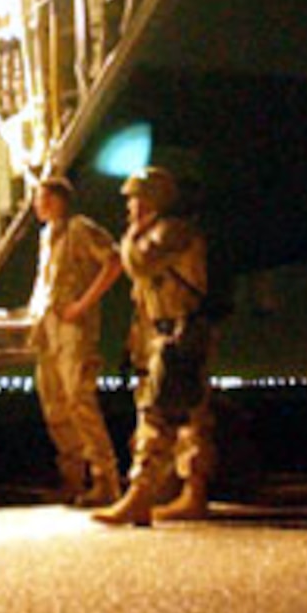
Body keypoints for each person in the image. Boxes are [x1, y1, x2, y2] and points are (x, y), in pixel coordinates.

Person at [94, 165, 216, 527]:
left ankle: (140, 494)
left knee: (155, 412)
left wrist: (133, 234)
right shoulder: (170, 230)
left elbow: (138, 262)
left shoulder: (170, 232)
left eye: (136, 199)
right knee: (192, 417)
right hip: (174, 332)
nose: (130, 207)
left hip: (178, 333)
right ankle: (193, 492)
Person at [27, 174, 123, 506]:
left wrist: (83, 303)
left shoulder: (78, 228)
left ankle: (105, 478)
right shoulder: (46, 236)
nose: (37, 204)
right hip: (49, 328)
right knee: (54, 403)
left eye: (42, 198)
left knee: (79, 401)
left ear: (57, 200)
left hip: (73, 330)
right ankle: (73, 478)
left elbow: (114, 260)